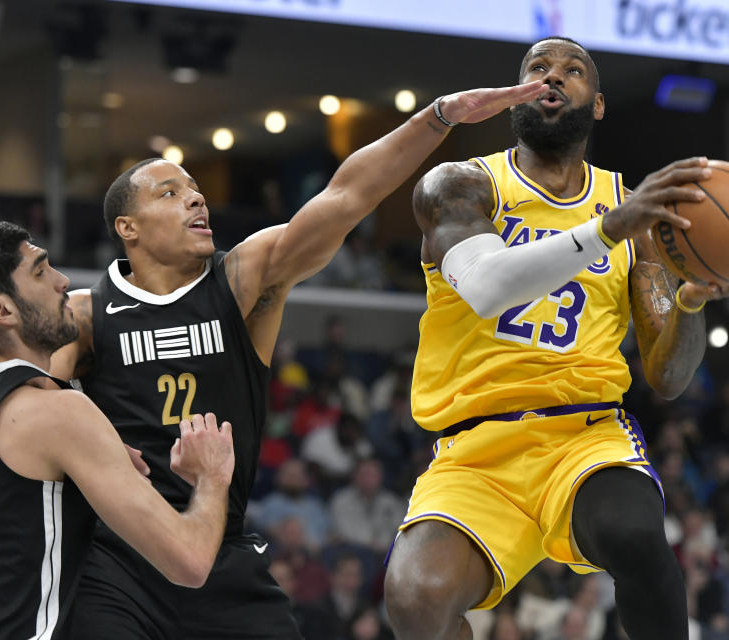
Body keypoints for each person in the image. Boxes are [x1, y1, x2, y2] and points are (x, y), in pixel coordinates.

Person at [49, 81, 547, 638]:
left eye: (195, 189)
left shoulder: (241, 280)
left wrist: (437, 118)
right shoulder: (86, 315)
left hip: (222, 547)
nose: (196, 198)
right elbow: (36, 416)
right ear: (127, 228)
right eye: (169, 193)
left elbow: (347, 197)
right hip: (118, 557)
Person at [383, 37, 729, 640]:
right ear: (515, 97)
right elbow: (488, 287)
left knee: (638, 538)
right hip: (475, 449)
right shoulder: (460, 186)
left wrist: (691, 299)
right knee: (415, 601)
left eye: (573, 71)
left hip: (583, 436)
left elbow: (668, 378)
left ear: (596, 105)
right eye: (537, 68)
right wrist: (609, 229)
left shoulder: (628, 209)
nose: (553, 77)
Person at [0, 222, 234, 638]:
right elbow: (189, 561)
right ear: (1, 310)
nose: (63, 282)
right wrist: (213, 477)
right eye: (41, 272)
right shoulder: (56, 412)